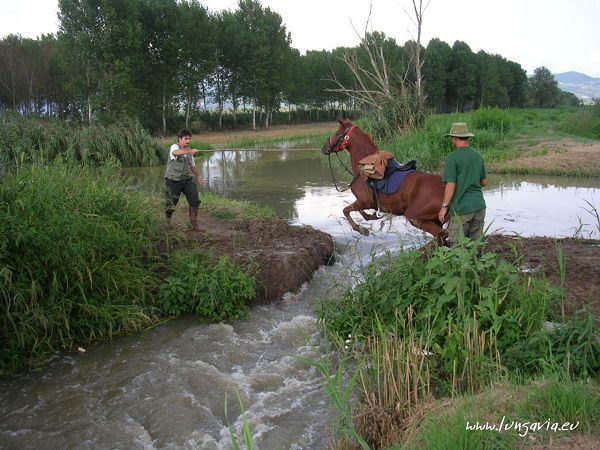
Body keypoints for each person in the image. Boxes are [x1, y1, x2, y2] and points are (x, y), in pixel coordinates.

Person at [439, 122, 488, 246]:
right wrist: (470, 184)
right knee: (475, 246)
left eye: (451, 137)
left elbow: (450, 185)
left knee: (457, 247)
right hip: (479, 206)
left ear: (455, 138)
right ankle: (476, 264)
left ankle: (460, 266)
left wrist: (444, 207)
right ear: (467, 137)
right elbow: (484, 182)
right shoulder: (478, 156)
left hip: (461, 209)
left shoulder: (452, 157)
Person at [164, 129, 205, 231]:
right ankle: (167, 221)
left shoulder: (189, 150)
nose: (188, 141)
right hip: (173, 180)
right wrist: (189, 151)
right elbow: (176, 153)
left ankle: (194, 224)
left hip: (186, 180)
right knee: (172, 202)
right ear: (179, 139)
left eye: (189, 139)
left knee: (194, 200)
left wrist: (199, 176)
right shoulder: (174, 147)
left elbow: (193, 166)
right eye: (186, 139)